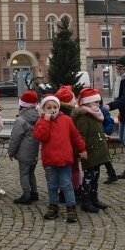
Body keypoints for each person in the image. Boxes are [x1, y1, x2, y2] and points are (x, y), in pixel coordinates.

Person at [33, 94, 88, 223]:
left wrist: (82, 149)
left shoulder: (67, 120)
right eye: (49, 107)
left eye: (55, 106)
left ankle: (71, 207)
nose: (52, 109)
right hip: (50, 161)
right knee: (52, 185)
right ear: (43, 109)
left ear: (59, 107)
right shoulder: (41, 122)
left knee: (66, 184)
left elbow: (76, 137)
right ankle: (53, 206)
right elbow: (40, 137)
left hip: (65, 160)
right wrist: (46, 121)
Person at [71, 88, 111, 213]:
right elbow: (80, 135)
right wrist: (81, 150)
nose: (98, 105)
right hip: (89, 152)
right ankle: (86, 201)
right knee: (88, 177)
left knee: (95, 176)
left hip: (97, 151)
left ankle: (94, 198)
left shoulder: (95, 114)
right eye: (96, 102)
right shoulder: (83, 117)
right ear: (87, 103)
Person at [8, 90, 41, 205]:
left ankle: (26, 195)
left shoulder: (20, 120)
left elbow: (15, 138)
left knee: (24, 174)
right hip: (34, 151)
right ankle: (34, 193)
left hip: (24, 153)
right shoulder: (38, 117)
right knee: (31, 173)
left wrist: (11, 152)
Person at [55, 85, 81, 201]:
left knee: (61, 171)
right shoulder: (75, 116)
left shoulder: (54, 115)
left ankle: (61, 193)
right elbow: (77, 135)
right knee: (75, 169)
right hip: (72, 148)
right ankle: (75, 190)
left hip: (59, 148)